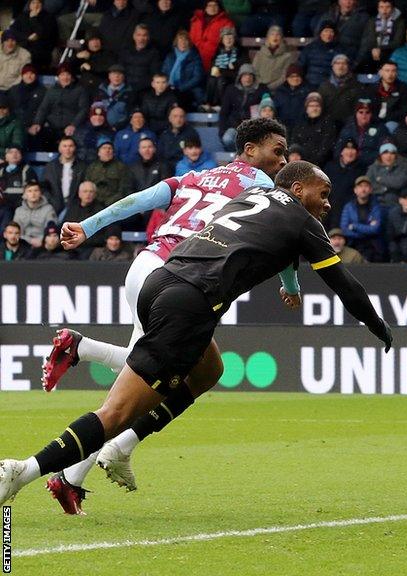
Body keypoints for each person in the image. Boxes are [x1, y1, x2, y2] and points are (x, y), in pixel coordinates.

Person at [0, 161, 392, 511]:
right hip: (192, 303)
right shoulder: (303, 223)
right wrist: (379, 326)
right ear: (295, 188)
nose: (326, 204)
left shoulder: (252, 194)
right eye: (322, 194)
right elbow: (345, 285)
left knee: (207, 370)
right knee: (117, 412)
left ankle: (118, 442)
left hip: (162, 277)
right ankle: (24, 471)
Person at [39, 119, 290, 514]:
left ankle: (73, 476)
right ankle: (81, 358)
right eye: (277, 150)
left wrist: (87, 227)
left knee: (179, 373)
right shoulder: (261, 187)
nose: (283, 160)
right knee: (149, 382)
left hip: (144, 268)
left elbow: (136, 200)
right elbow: (284, 236)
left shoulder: (195, 176)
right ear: (251, 149)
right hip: (180, 279)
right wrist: (290, 286)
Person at [340, 175, 386, 262]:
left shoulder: (376, 207)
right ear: (355, 190)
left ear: (370, 190)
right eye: (360, 186)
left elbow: (375, 229)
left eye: (366, 186)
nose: (363, 189)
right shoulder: (348, 207)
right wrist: (366, 231)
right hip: (353, 243)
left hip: (372, 246)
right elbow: (345, 229)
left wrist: (354, 226)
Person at [42, 137, 87, 217]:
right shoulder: (50, 167)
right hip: (54, 205)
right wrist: (51, 201)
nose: (67, 149)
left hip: (76, 206)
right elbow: (44, 187)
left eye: (70, 146)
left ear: (75, 148)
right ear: (60, 149)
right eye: (64, 146)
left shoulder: (82, 166)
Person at [251, 25, 297, 91]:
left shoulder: (287, 56)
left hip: (278, 89)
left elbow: (284, 76)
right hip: (259, 88)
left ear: (281, 38)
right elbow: (254, 72)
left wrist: (269, 87)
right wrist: (260, 85)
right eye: (272, 34)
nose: (275, 37)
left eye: (278, 35)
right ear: (268, 37)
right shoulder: (259, 54)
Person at [13, 182, 56, 248]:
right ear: (24, 195)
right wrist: (30, 240)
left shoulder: (48, 209)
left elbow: (51, 230)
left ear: (40, 193)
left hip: (43, 244)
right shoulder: (19, 211)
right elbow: (15, 231)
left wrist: (41, 240)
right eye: (29, 191)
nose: (33, 194)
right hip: (23, 243)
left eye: (36, 190)